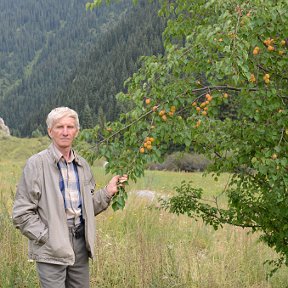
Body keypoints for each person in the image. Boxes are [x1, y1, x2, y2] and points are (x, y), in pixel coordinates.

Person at [12, 107, 127, 288]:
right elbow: (21, 213)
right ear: (50, 131)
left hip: (80, 243)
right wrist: (45, 237)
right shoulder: (36, 164)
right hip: (51, 245)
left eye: (70, 127)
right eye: (59, 127)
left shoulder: (82, 165)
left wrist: (107, 191)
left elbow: (87, 208)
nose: (65, 132)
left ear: (77, 131)